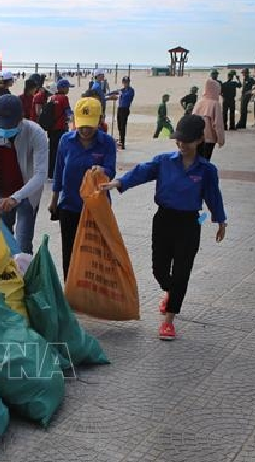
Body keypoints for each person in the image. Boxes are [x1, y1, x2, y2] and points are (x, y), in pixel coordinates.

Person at [100, 115, 227, 340]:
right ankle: (172, 292)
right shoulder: (164, 161)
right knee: (159, 270)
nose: (181, 144)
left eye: (186, 141)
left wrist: (220, 221)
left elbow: (213, 196)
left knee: (181, 271)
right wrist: (119, 182)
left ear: (199, 140)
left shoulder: (207, 170)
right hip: (163, 220)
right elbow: (142, 171)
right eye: (178, 140)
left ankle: (169, 319)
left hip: (189, 224)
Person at [48, 97, 117, 280]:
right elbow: (59, 170)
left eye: (90, 125)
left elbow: (111, 171)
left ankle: (91, 290)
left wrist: (102, 170)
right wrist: (54, 199)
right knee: (69, 250)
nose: (85, 130)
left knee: (93, 251)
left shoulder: (107, 143)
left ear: (99, 120)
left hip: (96, 207)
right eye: (81, 125)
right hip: (69, 205)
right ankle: (70, 289)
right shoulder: (66, 140)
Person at [0, 94, 48, 254]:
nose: (6, 130)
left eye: (11, 125)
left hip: (28, 192)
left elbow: (41, 174)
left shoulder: (36, 133)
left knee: (23, 243)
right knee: (2, 241)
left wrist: (16, 197)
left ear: (21, 119)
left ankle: (24, 275)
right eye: (2, 125)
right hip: (2, 190)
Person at [44, 78, 74, 178]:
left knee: (52, 150)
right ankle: (59, 173)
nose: (68, 89)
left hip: (51, 128)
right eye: (67, 87)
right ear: (63, 88)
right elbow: (68, 113)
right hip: (60, 128)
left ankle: (50, 172)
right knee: (60, 151)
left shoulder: (52, 97)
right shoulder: (64, 98)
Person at [192, 79, 224, 161]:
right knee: (206, 160)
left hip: (197, 137)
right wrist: (221, 140)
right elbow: (218, 124)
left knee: (197, 159)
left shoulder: (199, 103)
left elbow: (192, 119)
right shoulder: (215, 104)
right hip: (209, 138)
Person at [116, 76, 134, 150]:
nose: (126, 83)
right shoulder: (122, 90)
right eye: (124, 82)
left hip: (125, 109)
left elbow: (128, 96)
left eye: (127, 82)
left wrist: (121, 94)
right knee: (119, 125)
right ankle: (120, 138)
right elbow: (115, 92)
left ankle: (122, 143)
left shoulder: (131, 90)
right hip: (119, 109)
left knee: (123, 125)